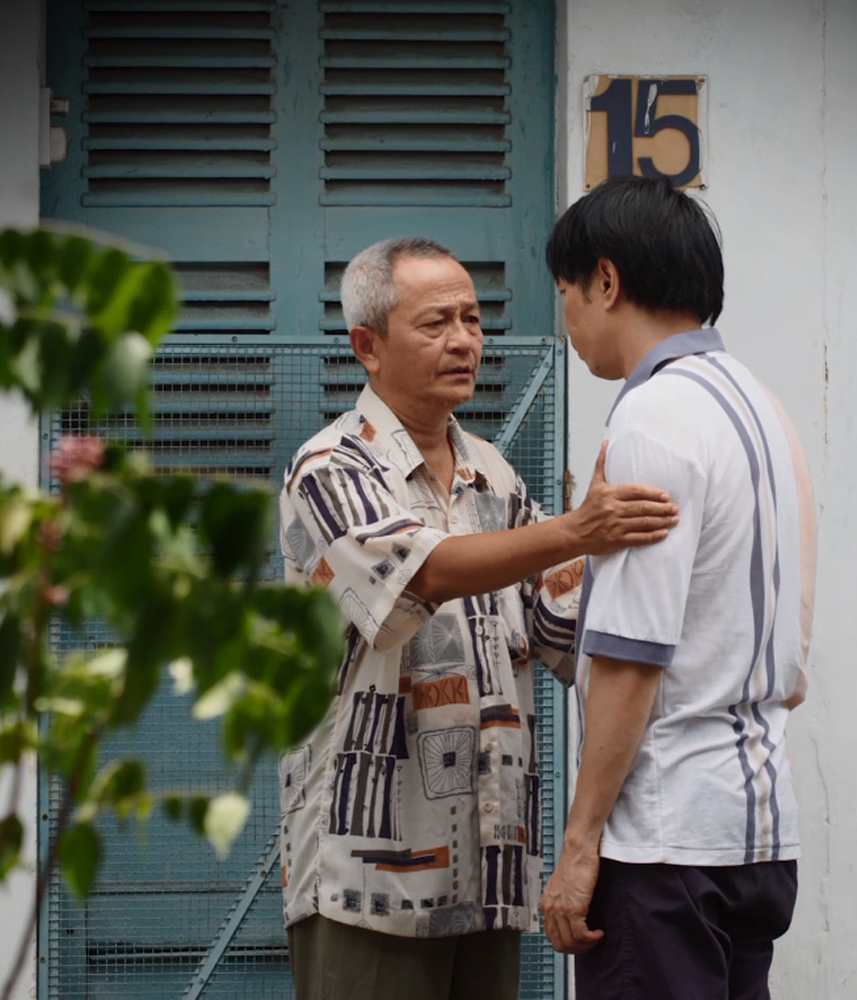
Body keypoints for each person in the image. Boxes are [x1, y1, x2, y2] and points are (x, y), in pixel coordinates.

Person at [276, 235, 680, 1000]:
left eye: (471, 318)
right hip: (370, 879)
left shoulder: (492, 473)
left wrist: (639, 544)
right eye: (435, 324)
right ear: (368, 345)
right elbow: (417, 576)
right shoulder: (327, 468)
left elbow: (564, 630)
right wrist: (576, 530)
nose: (463, 339)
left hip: (490, 864)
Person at [538, 175, 817, 1000]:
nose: (568, 319)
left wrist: (581, 842)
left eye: (566, 292)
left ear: (607, 281)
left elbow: (632, 658)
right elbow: (793, 658)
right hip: (758, 832)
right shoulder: (765, 409)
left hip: (664, 845)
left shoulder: (653, 417)